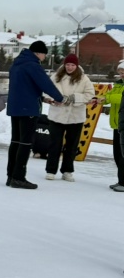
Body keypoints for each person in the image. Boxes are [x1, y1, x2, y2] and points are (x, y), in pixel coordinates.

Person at [5, 40, 64, 189]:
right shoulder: (32, 65)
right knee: (26, 143)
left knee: (16, 142)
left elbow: (25, 87)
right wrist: (60, 98)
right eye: (45, 54)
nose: (45, 57)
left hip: (16, 108)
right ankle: (19, 177)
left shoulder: (17, 64)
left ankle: (11, 175)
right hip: (28, 109)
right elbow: (45, 84)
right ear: (38, 53)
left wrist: (43, 98)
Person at [44, 53, 95, 182]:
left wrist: (74, 98)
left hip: (75, 117)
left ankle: (67, 170)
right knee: (55, 144)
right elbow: (46, 90)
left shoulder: (84, 79)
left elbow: (90, 94)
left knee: (71, 145)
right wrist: (51, 100)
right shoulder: (56, 76)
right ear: (64, 65)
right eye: (67, 64)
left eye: (72, 65)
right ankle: (51, 170)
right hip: (57, 115)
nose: (70, 67)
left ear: (77, 66)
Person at [105, 60, 124, 192]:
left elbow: (119, 98)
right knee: (117, 154)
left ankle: (123, 182)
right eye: (120, 71)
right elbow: (109, 96)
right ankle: (120, 180)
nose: (122, 74)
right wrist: (101, 98)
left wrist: (108, 98)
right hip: (117, 123)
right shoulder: (118, 85)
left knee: (123, 155)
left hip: (123, 124)